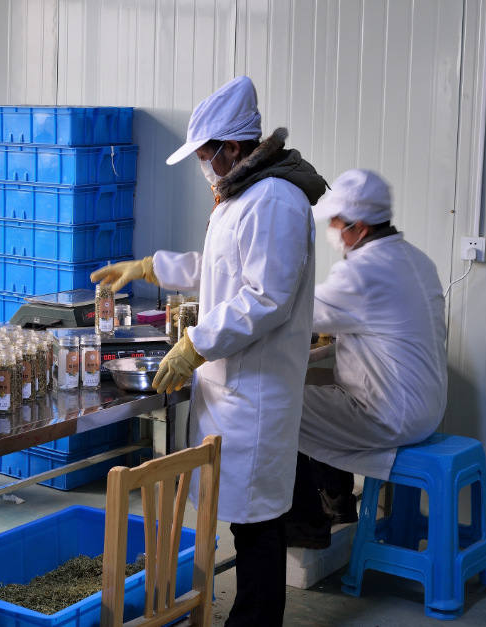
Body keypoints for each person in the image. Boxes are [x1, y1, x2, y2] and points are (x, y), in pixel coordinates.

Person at [91, 76, 326, 626]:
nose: (203, 164)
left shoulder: (274, 199)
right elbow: (219, 269)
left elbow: (264, 298)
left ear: (233, 148)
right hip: (233, 391)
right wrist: (150, 267)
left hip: (256, 394)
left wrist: (194, 345)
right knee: (246, 522)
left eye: (205, 154)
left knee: (257, 528)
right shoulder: (245, 194)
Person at [284, 169, 447, 548]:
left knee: (275, 401)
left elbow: (291, 312)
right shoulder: (416, 259)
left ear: (359, 227)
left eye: (336, 221)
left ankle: (305, 524)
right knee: (311, 385)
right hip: (425, 405)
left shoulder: (362, 272)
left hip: (389, 414)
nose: (332, 229)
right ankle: (338, 499)